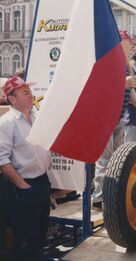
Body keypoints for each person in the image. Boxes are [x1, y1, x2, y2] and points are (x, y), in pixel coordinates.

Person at [0, 77, 52, 260]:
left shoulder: (36, 116)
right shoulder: (7, 123)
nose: (31, 95)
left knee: (39, 233)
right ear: (12, 99)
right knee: (24, 239)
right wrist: (22, 186)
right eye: (26, 93)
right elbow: (2, 159)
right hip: (24, 187)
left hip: (42, 183)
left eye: (30, 91)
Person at [92, 30, 136, 210]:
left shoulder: (125, 65)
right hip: (104, 118)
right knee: (105, 160)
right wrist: (123, 83)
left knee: (115, 160)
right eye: (129, 42)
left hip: (117, 118)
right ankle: (99, 197)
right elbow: (101, 87)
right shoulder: (108, 61)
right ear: (120, 42)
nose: (132, 45)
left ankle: (110, 194)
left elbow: (129, 90)